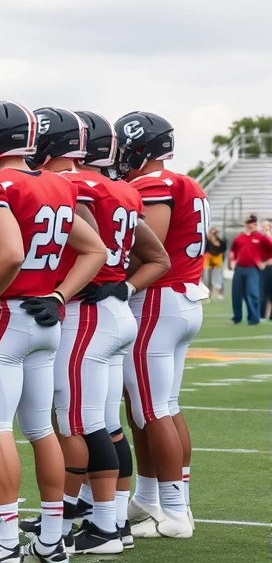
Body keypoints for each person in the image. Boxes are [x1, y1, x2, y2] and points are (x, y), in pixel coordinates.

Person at [0, 101, 106, 563]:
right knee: (41, 429)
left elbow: (12, 253)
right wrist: (60, 295)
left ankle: (3, 544)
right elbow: (95, 250)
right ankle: (52, 539)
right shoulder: (61, 184)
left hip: (6, 319)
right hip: (46, 322)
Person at [25, 108, 170, 554]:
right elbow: (158, 258)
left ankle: (102, 526)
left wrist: (71, 288)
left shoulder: (72, 187)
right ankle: (110, 521)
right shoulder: (122, 189)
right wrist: (121, 287)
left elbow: (92, 245)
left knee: (79, 426)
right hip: (112, 313)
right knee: (106, 426)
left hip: (85, 315)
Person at [114, 111, 208, 540]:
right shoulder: (187, 182)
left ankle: (174, 512)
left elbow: (145, 247)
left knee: (152, 409)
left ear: (137, 147)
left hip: (157, 299)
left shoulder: (153, 184)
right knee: (159, 406)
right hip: (183, 298)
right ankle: (156, 499)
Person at [229, 215, 272, 325]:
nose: (251, 224)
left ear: (255, 224)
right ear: (246, 224)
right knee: (237, 293)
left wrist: (265, 262)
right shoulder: (239, 237)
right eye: (249, 222)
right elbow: (233, 250)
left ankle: (253, 318)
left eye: (253, 222)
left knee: (252, 293)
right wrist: (231, 260)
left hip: (253, 269)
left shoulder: (260, 237)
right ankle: (237, 317)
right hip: (239, 268)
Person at [203, 228, 226, 300]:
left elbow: (222, 248)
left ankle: (220, 293)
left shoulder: (219, 241)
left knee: (218, 277)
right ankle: (208, 293)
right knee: (207, 278)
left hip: (217, 261)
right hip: (208, 260)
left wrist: (215, 242)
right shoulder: (206, 241)